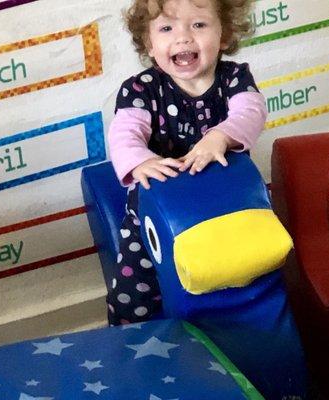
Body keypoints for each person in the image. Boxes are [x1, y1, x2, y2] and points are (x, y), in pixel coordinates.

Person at [107, 0, 267, 326]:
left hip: (225, 211)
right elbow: (124, 133)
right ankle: (130, 345)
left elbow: (251, 112)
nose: (183, 38)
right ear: (150, 45)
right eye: (167, 28)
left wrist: (220, 136)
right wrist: (140, 161)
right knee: (134, 285)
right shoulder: (140, 90)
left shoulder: (235, 78)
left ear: (224, 35)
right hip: (154, 217)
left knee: (252, 275)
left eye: (199, 25)